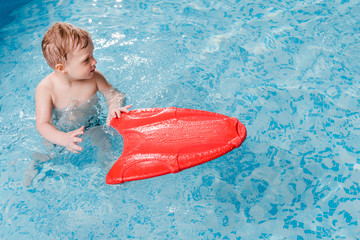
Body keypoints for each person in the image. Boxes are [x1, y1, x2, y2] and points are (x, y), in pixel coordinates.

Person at [35, 22, 131, 153]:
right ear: (62, 68)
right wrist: (63, 138)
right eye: (86, 60)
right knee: (47, 152)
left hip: (94, 125)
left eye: (92, 54)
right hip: (62, 132)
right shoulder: (46, 89)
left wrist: (114, 107)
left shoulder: (95, 78)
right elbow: (43, 124)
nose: (94, 61)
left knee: (105, 145)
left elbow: (114, 94)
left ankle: (108, 166)